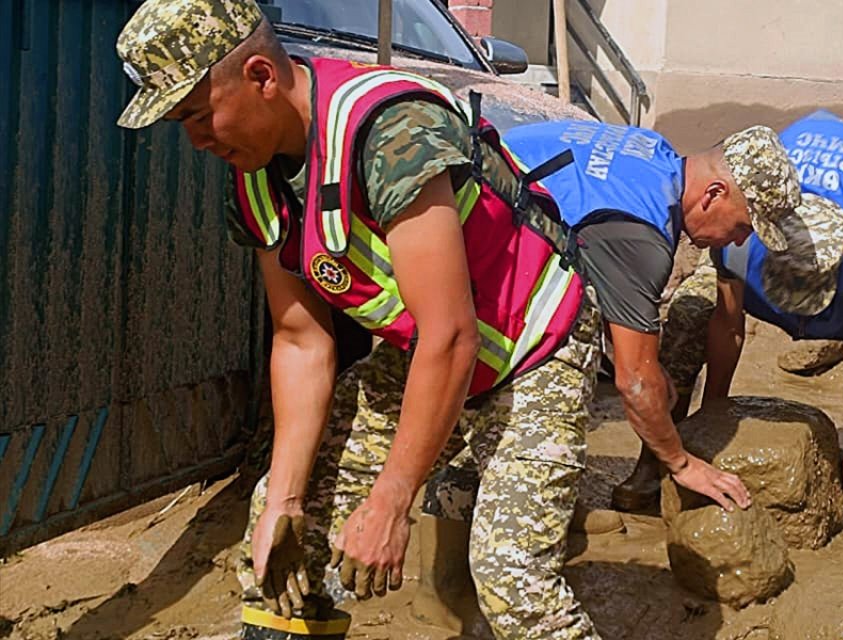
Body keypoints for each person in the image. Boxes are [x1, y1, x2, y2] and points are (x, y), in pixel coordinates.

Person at [116, 0, 610, 637]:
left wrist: (391, 500)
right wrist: (287, 499)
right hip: (427, 356)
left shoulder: (391, 133)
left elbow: (452, 334)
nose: (196, 139)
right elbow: (300, 341)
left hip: (535, 347)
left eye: (197, 114)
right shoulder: (256, 177)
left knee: (512, 575)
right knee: (283, 531)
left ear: (262, 75)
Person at [608, 111, 843, 554]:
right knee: (689, 315)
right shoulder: (743, 237)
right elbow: (728, 328)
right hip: (771, 207)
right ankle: (652, 463)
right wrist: (714, 422)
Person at [500, 120, 804, 515]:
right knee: (561, 377)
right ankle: (528, 518)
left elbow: (594, 250)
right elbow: (636, 384)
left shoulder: (654, 153)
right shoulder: (641, 237)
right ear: (715, 194)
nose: (741, 240)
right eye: (744, 225)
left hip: (484, 217)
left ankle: (528, 500)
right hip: (469, 253)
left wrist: (652, 368)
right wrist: (681, 463)